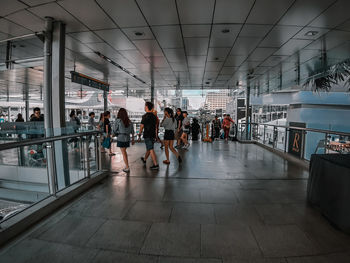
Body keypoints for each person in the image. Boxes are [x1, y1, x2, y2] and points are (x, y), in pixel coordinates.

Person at [138, 102, 159, 170]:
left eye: (145, 106)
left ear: (146, 107)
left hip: (147, 135)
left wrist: (139, 134)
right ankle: (144, 159)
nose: (144, 107)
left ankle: (155, 164)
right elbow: (156, 127)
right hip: (152, 134)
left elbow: (141, 126)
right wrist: (156, 136)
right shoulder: (154, 116)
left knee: (150, 149)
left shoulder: (144, 116)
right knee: (149, 148)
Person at [114, 108, 135, 173]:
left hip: (121, 137)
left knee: (124, 153)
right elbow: (132, 131)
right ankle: (126, 166)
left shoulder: (118, 120)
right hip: (127, 138)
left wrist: (115, 133)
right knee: (124, 151)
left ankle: (127, 167)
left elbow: (114, 129)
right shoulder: (129, 121)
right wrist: (133, 139)